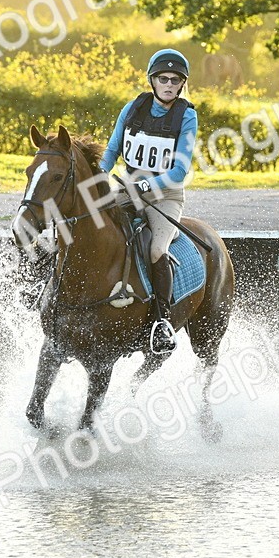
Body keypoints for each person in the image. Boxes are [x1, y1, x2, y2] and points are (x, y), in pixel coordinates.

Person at [98, 48, 197, 355]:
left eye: (175, 80)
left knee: (156, 248)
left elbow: (180, 170)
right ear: (152, 80)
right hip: (128, 189)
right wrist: (99, 175)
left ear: (181, 85)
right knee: (90, 223)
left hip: (165, 195)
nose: (168, 84)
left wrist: (146, 184)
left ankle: (162, 322)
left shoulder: (186, 115)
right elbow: (112, 150)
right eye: (163, 78)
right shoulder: (133, 107)